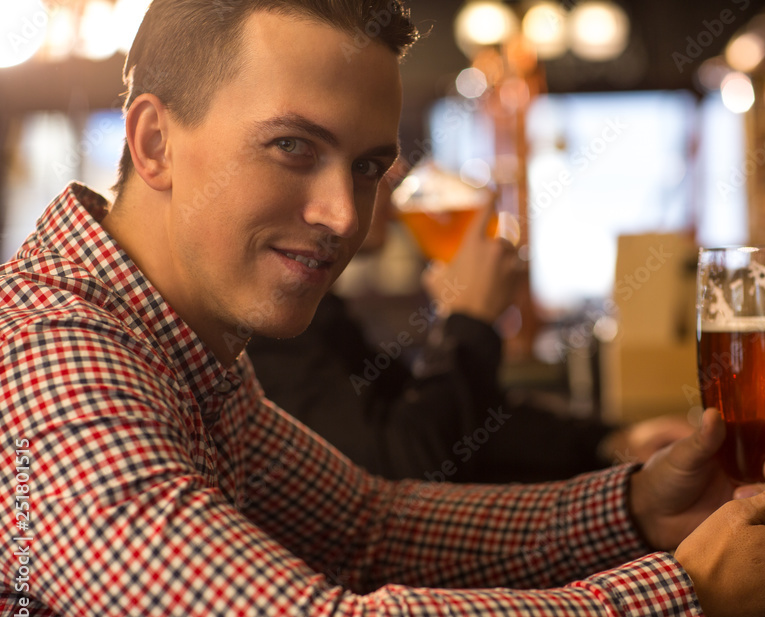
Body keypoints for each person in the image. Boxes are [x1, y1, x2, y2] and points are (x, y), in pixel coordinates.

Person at [0, 1, 765, 617]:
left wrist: (638, 506)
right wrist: (685, 606)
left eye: (369, 166)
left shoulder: (173, 346)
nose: (344, 216)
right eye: (293, 145)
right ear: (155, 142)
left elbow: (374, 527)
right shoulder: (50, 358)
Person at [247, 163, 695, 483]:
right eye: (367, 163)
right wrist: (470, 319)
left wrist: (612, 442)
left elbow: (466, 428)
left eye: (380, 158)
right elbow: (402, 474)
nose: (395, 172)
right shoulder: (266, 327)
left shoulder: (323, 316)